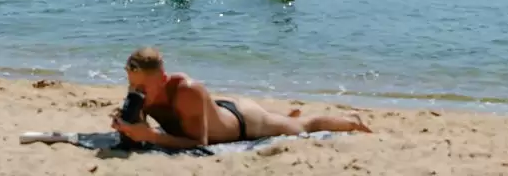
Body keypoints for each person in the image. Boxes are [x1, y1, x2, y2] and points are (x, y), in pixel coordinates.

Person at [111, 47, 369, 148]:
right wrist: (128, 125)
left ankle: (351, 119)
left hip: (242, 122)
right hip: (213, 111)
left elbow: (199, 143)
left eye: (144, 85)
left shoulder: (186, 90)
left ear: (162, 77)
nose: (138, 91)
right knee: (282, 122)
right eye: (133, 84)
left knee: (303, 127)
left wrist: (151, 136)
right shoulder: (140, 87)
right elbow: (140, 127)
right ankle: (283, 117)